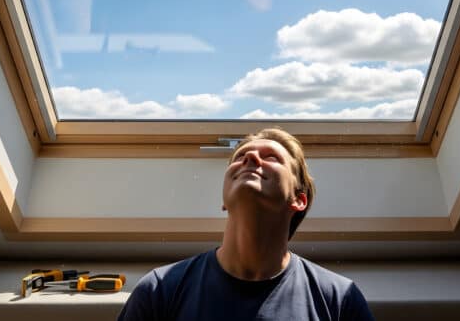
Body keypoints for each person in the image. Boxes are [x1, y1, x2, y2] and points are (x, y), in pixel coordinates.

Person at [117, 128, 375, 320]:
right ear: (224, 200)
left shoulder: (339, 300)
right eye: (241, 157)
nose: (251, 156)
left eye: (272, 157)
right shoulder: (159, 290)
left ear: (298, 199)